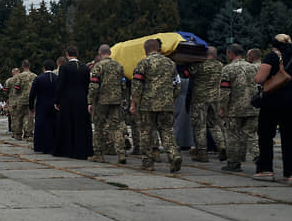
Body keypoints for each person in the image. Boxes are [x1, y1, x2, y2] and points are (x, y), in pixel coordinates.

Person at [253, 34, 292, 183]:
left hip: (273, 101)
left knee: (265, 135)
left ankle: (266, 170)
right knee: (290, 138)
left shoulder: (272, 57)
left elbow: (259, 79)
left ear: (274, 44)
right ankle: (290, 174)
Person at [129, 38, 182, 172]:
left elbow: (136, 85)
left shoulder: (143, 63)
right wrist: (172, 99)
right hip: (166, 104)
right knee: (167, 131)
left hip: (147, 105)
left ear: (146, 50)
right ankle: (174, 155)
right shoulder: (170, 63)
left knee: (146, 132)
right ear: (158, 49)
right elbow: (177, 84)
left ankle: (148, 163)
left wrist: (134, 103)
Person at [219, 43, 259, 172]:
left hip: (235, 108)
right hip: (253, 107)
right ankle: (259, 157)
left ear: (230, 53)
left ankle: (233, 163)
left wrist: (222, 108)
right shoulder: (253, 68)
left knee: (233, 135)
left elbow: (225, 91)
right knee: (251, 135)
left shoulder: (228, 69)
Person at [182, 47, 226, 162]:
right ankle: (222, 147)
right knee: (214, 125)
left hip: (199, 100)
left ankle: (202, 153)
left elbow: (185, 74)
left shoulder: (198, 65)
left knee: (199, 126)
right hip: (215, 100)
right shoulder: (220, 65)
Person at [87, 44, 126, 164]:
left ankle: (98, 154)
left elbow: (94, 85)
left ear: (100, 53)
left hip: (101, 101)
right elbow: (123, 85)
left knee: (98, 127)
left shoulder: (98, 66)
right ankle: (121, 153)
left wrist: (90, 101)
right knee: (117, 127)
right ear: (110, 53)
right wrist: (122, 99)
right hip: (116, 101)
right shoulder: (119, 66)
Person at [54, 47, 92, 159]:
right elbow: (87, 85)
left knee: (68, 124)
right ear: (77, 54)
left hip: (67, 100)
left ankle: (68, 149)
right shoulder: (85, 67)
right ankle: (82, 149)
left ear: (67, 54)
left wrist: (57, 100)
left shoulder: (64, 67)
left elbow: (60, 84)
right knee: (81, 125)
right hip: (81, 99)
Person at [29, 60, 58, 154]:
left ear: (43, 68)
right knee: (52, 125)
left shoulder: (38, 78)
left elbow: (32, 94)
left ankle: (39, 146)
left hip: (41, 105)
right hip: (54, 105)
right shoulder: (57, 78)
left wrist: (31, 106)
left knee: (40, 125)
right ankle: (52, 145)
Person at [12, 61, 37, 141]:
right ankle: (29, 134)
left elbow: (16, 87)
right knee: (30, 117)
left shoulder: (19, 76)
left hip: (21, 99)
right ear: (29, 66)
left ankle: (18, 134)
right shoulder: (34, 76)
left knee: (19, 117)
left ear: (23, 66)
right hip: (32, 99)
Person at [5, 67, 19, 133]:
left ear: (12, 73)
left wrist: (7, 98)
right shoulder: (21, 79)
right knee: (21, 116)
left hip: (12, 100)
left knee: (11, 116)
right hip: (20, 100)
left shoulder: (9, 80)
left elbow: (6, 91)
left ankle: (12, 130)